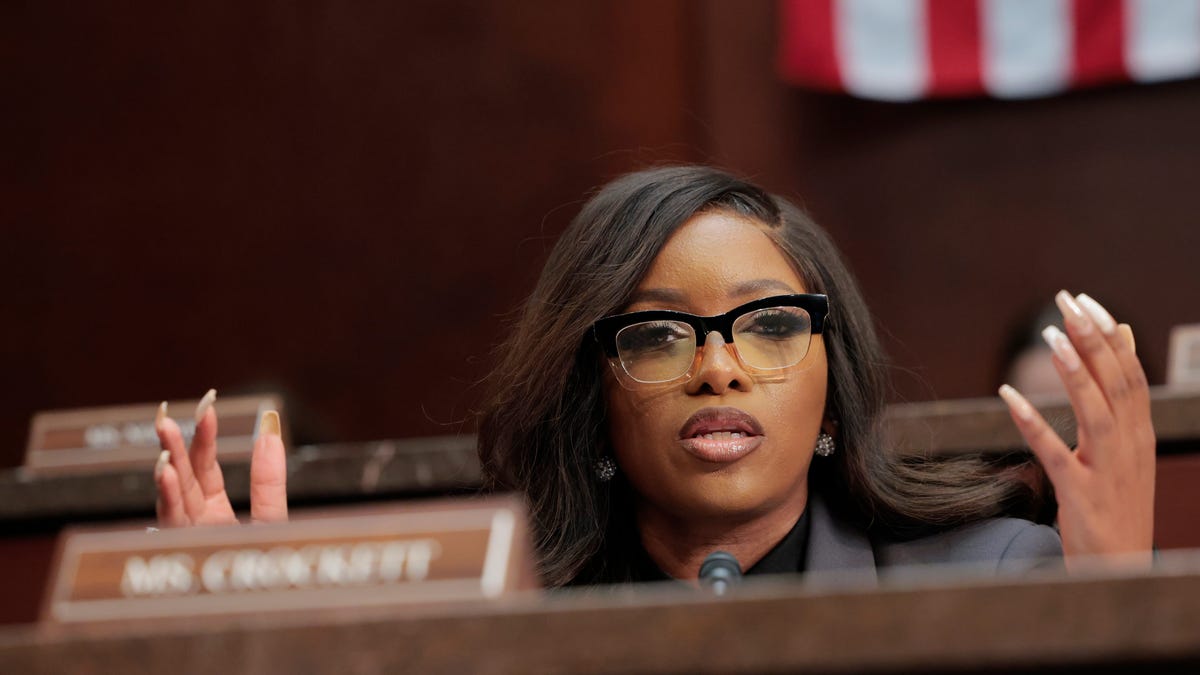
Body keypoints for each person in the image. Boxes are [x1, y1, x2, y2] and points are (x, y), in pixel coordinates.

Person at [152, 166, 1156, 587]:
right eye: (659, 337)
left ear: (833, 384)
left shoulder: (991, 574)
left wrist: (1114, 606)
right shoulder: (491, 615)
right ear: (588, 394)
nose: (718, 369)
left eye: (769, 326)